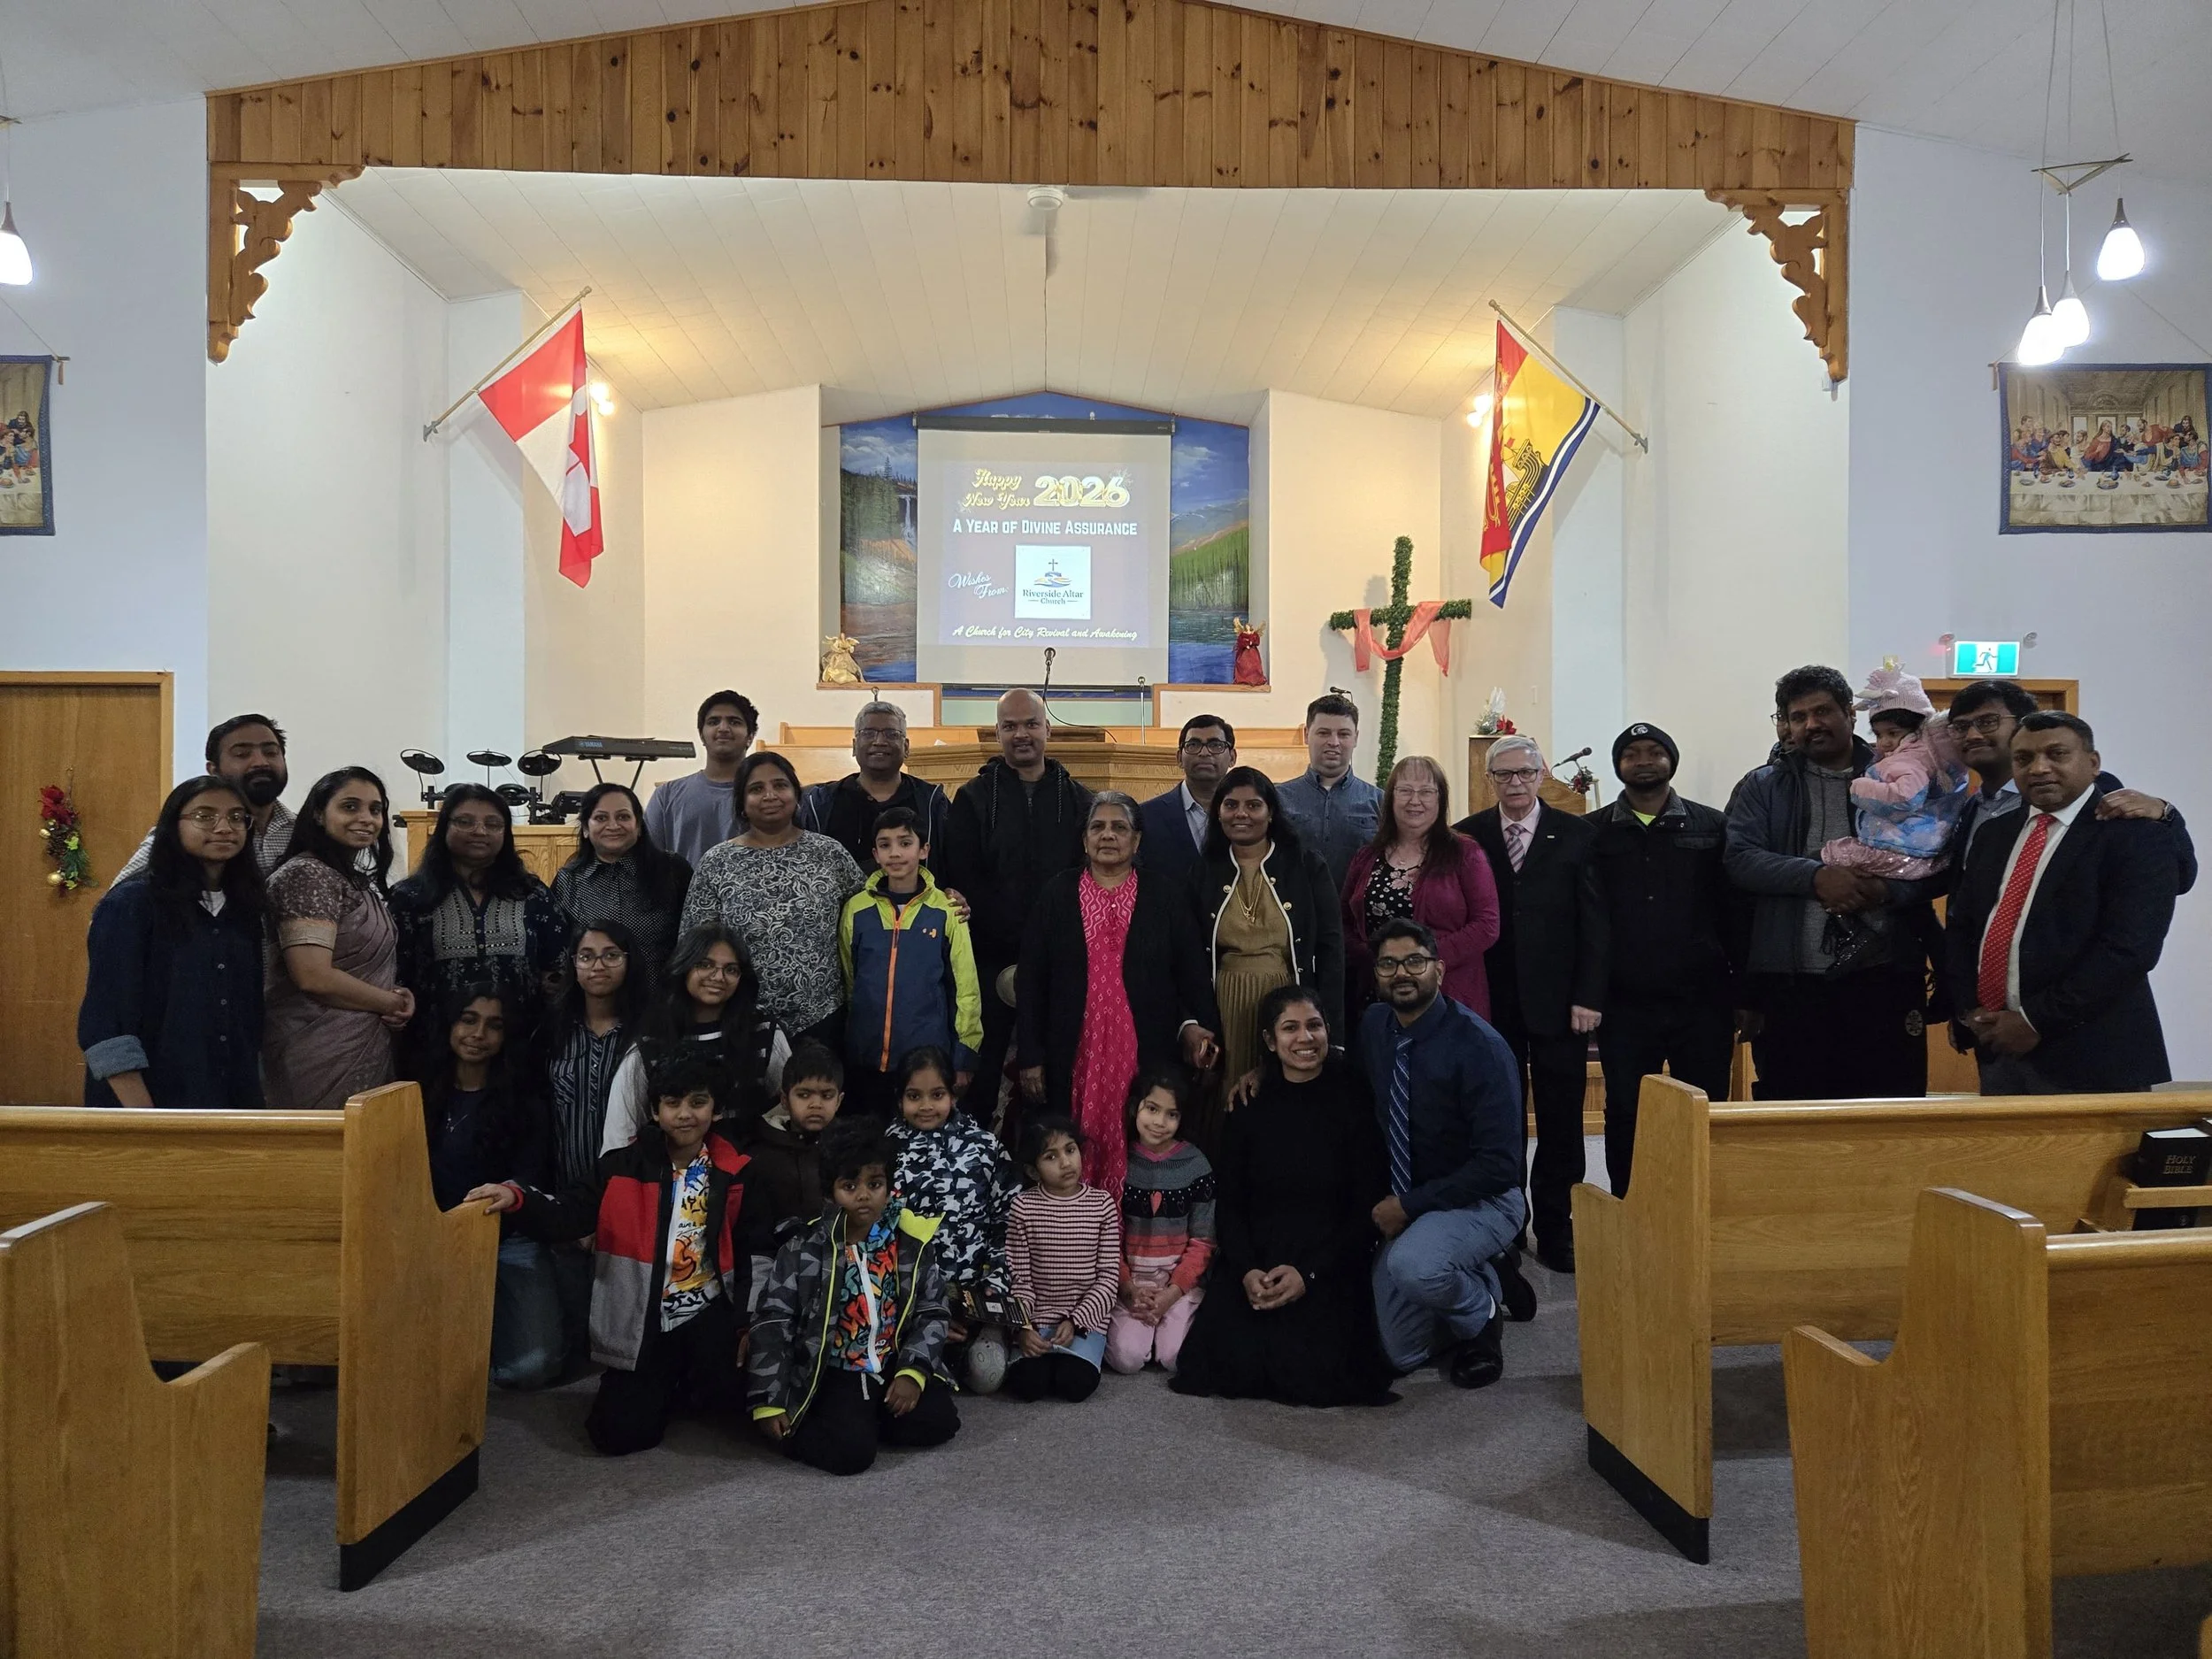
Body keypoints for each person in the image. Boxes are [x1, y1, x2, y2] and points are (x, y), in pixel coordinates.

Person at [472, 1054, 754, 1455]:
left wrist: (747, 1322)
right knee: (617, 1435)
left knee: (740, 1402)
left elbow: (751, 1250)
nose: (685, 1114)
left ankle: (690, 1379)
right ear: (655, 1112)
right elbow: (567, 1214)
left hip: (709, 1313)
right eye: (672, 1103)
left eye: (697, 1102)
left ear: (716, 1109)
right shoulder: (620, 1167)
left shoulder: (735, 1170)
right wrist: (517, 1198)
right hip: (644, 1319)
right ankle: (667, 1380)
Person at [1725, 665, 1944, 1103]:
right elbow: (1740, 859)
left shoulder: (1902, 776)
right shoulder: (1764, 785)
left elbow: (1939, 859)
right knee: (1794, 1123)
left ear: (1849, 712)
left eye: (1823, 711)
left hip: (1884, 978)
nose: (1811, 724)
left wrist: (1888, 891)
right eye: (1798, 716)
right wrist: (1816, 876)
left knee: (1888, 1117)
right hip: (1791, 985)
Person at [1170, 986, 1395, 1409]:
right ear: (1270, 1041)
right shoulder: (1247, 1101)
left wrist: (1308, 1274)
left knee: (1319, 1372)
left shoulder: (1352, 1092)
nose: (1305, 1039)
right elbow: (1231, 1202)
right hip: (1260, 1251)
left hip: (1330, 1255)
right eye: (1290, 1028)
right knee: (1223, 1363)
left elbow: (1366, 1202)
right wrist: (1247, 1270)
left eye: (1315, 1026)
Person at [1947, 712, 2182, 1094]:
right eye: (2023, 759)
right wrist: (1969, 1009)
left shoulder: (2137, 836)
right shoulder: (1994, 833)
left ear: (2093, 764)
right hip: (1998, 1045)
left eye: (2056, 754)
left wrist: (2034, 1021)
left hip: (2093, 1053)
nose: (2039, 768)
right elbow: (1965, 926)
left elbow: (2128, 951)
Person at [1017, 792, 1221, 1195]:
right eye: (1098, 827)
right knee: (1071, 1137)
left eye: (1119, 827)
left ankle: (1136, 1240)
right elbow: (1032, 980)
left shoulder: (1164, 896)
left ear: (1137, 840)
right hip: (1074, 1047)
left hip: (1144, 1045)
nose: (1107, 835)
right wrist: (1031, 1055)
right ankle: (1078, 1229)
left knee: (1141, 1131)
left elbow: (1192, 974)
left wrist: (1203, 1027)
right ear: (1084, 839)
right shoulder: (1057, 894)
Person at [1360, 920, 1531, 1389]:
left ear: (1439, 968)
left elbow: (1500, 1166)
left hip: (1483, 1200)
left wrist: (1409, 1207)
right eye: (1388, 964)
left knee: (1413, 1266)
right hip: (1416, 1203)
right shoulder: (1376, 1026)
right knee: (1401, 1352)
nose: (1401, 973)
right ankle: (1488, 1269)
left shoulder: (1482, 1048)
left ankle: (1483, 1310)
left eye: (1414, 961)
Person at [1457, 735, 1606, 1273]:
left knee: (1562, 1120)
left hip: (1561, 1004)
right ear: (1490, 779)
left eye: (1524, 773)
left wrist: (1589, 996)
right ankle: (1505, 1224)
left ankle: (1557, 1226)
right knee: (1498, 1120)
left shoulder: (1577, 835)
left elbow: (1596, 922)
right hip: (1490, 1002)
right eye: (1504, 776)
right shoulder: (1467, 835)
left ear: (1541, 774)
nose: (1515, 784)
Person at [749, 1114, 962, 1475]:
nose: (864, 1195)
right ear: (830, 1192)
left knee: (941, 1422)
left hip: (890, 1358)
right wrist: (768, 1402)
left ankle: (869, 1414)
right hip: (832, 1368)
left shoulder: (910, 1240)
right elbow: (773, 1320)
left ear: (889, 1186)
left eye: (875, 1184)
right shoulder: (804, 1249)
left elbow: (932, 1310)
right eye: (850, 1186)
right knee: (852, 1457)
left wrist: (913, 1371)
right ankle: (835, 1422)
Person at [1587, 725, 1739, 1194]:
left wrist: (1744, 993)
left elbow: (1736, 913)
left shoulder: (1712, 826)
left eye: (1655, 752)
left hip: (1703, 1001)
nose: (1644, 760)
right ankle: (1628, 1207)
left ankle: (1704, 1204)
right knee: (1628, 1111)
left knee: (1707, 1107)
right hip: (1625, 1003)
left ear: (1672, 761)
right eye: (1632, 753)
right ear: (1619, 766)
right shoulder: (1591, 832)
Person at [937, 687, 1093, 1117]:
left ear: (1048, 730)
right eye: (1009, 726)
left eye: (1030, 724)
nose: (1021, 734)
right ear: (997, 733)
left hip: (1061, 962)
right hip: (990, 961)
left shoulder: (1080, 800)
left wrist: (1047, 947)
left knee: (1058, 1080)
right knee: (988, 1087)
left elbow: (1085, 879)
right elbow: (963, 877)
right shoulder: (971, 799)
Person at [78, 776, 266, 1109]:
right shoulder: (132, 903)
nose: (225, 827)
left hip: (228, 1103)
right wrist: (146, 1119)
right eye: (205, 816)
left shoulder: (244, 910)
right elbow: (106, 1023)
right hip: (145, 1106)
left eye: (238, 817)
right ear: (172, 826)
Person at [1189, 766, 1344, 1148]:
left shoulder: (1306, 865)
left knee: (1284, 1098)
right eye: (1231, 805)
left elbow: (1330, 948)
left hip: (1287, 997)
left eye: (1253, 805)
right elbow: (1189, 955)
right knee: (1227, 1103)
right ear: (1218, 812)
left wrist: (1333, 1026)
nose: (1241, 813)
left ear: (1271, 812)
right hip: (1225, 1002)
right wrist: (1195, 1020)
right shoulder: (1203, 870)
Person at [421, 985, 561, 1390]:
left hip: (508, 1240)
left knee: (531, 1369)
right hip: (435, 1240)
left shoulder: (525, 1100)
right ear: (450, 1024)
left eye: (493, 1026)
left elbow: (529, 1178)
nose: (478, 1034)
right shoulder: (420, 1092)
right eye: (468, 1019)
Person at [681, 751, 864, 1051]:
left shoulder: (829, 853)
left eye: (780, 785)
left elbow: (870, 915)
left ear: (796, 794)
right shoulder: (717, 862)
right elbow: (694, 943)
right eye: (756, 789)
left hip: (822, 1017)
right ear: (741, 802)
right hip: (740, 1020)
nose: (770, 795)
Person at [1948, 679, 2195, 890]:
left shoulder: (2094, 793)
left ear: (2026, 724)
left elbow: (2175, 878)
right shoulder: (1972, 807)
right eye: (1960, 727)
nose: (1972, 735)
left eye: (1988, 721)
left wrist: (2166, 816)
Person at [390, 784, 568, 1074]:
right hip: (433, 1051)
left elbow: (557, 970)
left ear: (506, 833)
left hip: (521, 1051)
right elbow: (396, 975)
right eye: (465, 821)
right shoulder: (410, 898)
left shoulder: (532, 894)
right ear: (444, 827)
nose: (480, 831)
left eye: (493, 824)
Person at [264, 767, 411, 1111]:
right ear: (318, 813)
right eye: (349, 807)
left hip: (361, 1041)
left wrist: (397, 995)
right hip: (316, 1049)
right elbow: (313, 976)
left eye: (375, 810)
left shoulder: (351, 878)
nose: (366, 818)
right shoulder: (308, 875)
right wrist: (389, 1003)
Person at [1816, 667, 1971, 973]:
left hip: (1899, 851)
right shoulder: (1918, 755)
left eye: (1893, 733)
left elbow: (1904, 798)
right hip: (1913, 850)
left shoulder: (1909, 760)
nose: (1884, 742)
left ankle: (1858, 935)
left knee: (1830, 857)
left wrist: (1859, 786)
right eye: (1879, 734)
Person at [885, 1046, 1016, 1394]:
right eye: (915, 1096)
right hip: (911, 1300)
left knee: (986, 1376)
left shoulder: (985, 1148)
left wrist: (989, 1294)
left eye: (937, 1094)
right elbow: (876, 1237)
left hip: (975, 1297)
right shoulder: (883, 1153)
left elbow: (1009, 1224)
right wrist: (918, 1312)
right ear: (900, 1099)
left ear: (953, 1095)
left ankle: (973, 1341)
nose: (926, 1106)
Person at [837, 805, 980, 1117]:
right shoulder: (856, 910)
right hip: (867, 1058)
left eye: (905, 843)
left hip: (927, 1058)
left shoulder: (947, 910)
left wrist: (964, 1055)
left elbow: (965, 988)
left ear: (924, 849)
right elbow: (850, 978)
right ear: (875, 854)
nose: (896, 853)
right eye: (885, 845)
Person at [601, 924, 788, 1153]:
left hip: (751, 1173)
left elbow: (791, 1106)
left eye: (731, 969)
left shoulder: (764, 1031)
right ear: (684, 967)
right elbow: (620, 1134)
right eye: (705, 965)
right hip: (670, 1176)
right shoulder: (652, 1040)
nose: (718, 977)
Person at [1342, 755, 1500, 1018]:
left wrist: (1421, 962)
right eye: (1405, 791)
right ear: (1391, 798)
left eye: (1426, 792)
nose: (1415, 801)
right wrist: (1377, 960)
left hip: (1449, 994)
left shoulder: (1465, 853)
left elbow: (1487, 925)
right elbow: (1344, 921)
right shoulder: (1367, 857)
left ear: (1440, 799)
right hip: (1378, 995)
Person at [1105, 1067, 1215, 1376]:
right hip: (1130, 1283)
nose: (1159, 1122)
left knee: (1174, 1358)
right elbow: (1107, 1235)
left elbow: (1204, 1241)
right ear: (1134, 1106)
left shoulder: (1196, 1164)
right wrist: (1127, 1288)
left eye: (1171, 1115)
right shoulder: (1119, 1161)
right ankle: (1142, 1333)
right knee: (1126, 1359)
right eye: (1152, 1109)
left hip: (1177, 1282)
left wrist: (1172, 1292)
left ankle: (1167, 1329)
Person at [1003, 1114, 1119, 1404]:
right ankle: (1040, 1355)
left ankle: (1072, 1356)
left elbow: (1107, 1279)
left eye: (1070, 1150)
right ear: (1033, 1170)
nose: (1066, 1163)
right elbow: (1020, 1277)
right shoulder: (1023, 1207)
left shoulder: (1102, 1205)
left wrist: (1077, 1321)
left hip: (1085, 1322)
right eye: (1051, 1157)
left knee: (1076, 1385)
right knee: (1026, 1385)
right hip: (1037, 1320)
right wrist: (1024, 1328)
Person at [115, 713, 296, 884]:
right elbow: (116, 904)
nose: (260, 762)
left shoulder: (303, 830)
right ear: (213, 770)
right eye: (242, 754)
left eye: (271, 752)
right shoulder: (186, 832)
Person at [550, 782, 693, 975]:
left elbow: (691, 940)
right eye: (601, 818)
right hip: (591, 1000)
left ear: (639, 825)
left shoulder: (673, 870)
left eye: (623, 817)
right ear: (585, 828)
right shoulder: (569, 880)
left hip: (660, 998)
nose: (613, 826)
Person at [796, 700, 952, 871]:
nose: (879, 741)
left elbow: (953, 861)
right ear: (855, 746)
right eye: (868, 733)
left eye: (891, 734)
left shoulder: (932, 802)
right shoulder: (820, 803)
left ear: (906, 747)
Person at [746, 1041, 844, 1294]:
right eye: (804, 1095)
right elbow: (756, 1241)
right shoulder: (760, 1157)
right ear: (785, 1100)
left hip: (842, 1275)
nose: (815, 1104)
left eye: (826, 1095)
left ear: (840, 1100)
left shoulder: (849, 1151)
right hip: (780, 1281)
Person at [1276, 692, 1384, 891]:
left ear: (1356, 738)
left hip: (1355, 918)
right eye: (1324, 733)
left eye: (1343, 734)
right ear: (1307, 734)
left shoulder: (1379, 801)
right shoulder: (1277, 798)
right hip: (1293, 915)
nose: (1334, 742)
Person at [645, 689, 758, 867]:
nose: (723, 728)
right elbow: (648, 861)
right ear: (701, 735)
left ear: (750, 737)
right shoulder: (666, 795)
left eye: (734, 722)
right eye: (713, 722)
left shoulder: (768, 797)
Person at [1137, 713, 1237, 887]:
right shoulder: (1146, 817)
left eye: (1215, 745)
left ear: (1232, 758)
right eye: (1193, 745)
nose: (1204, 753)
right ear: (1179, 758)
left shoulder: (1249, 817)